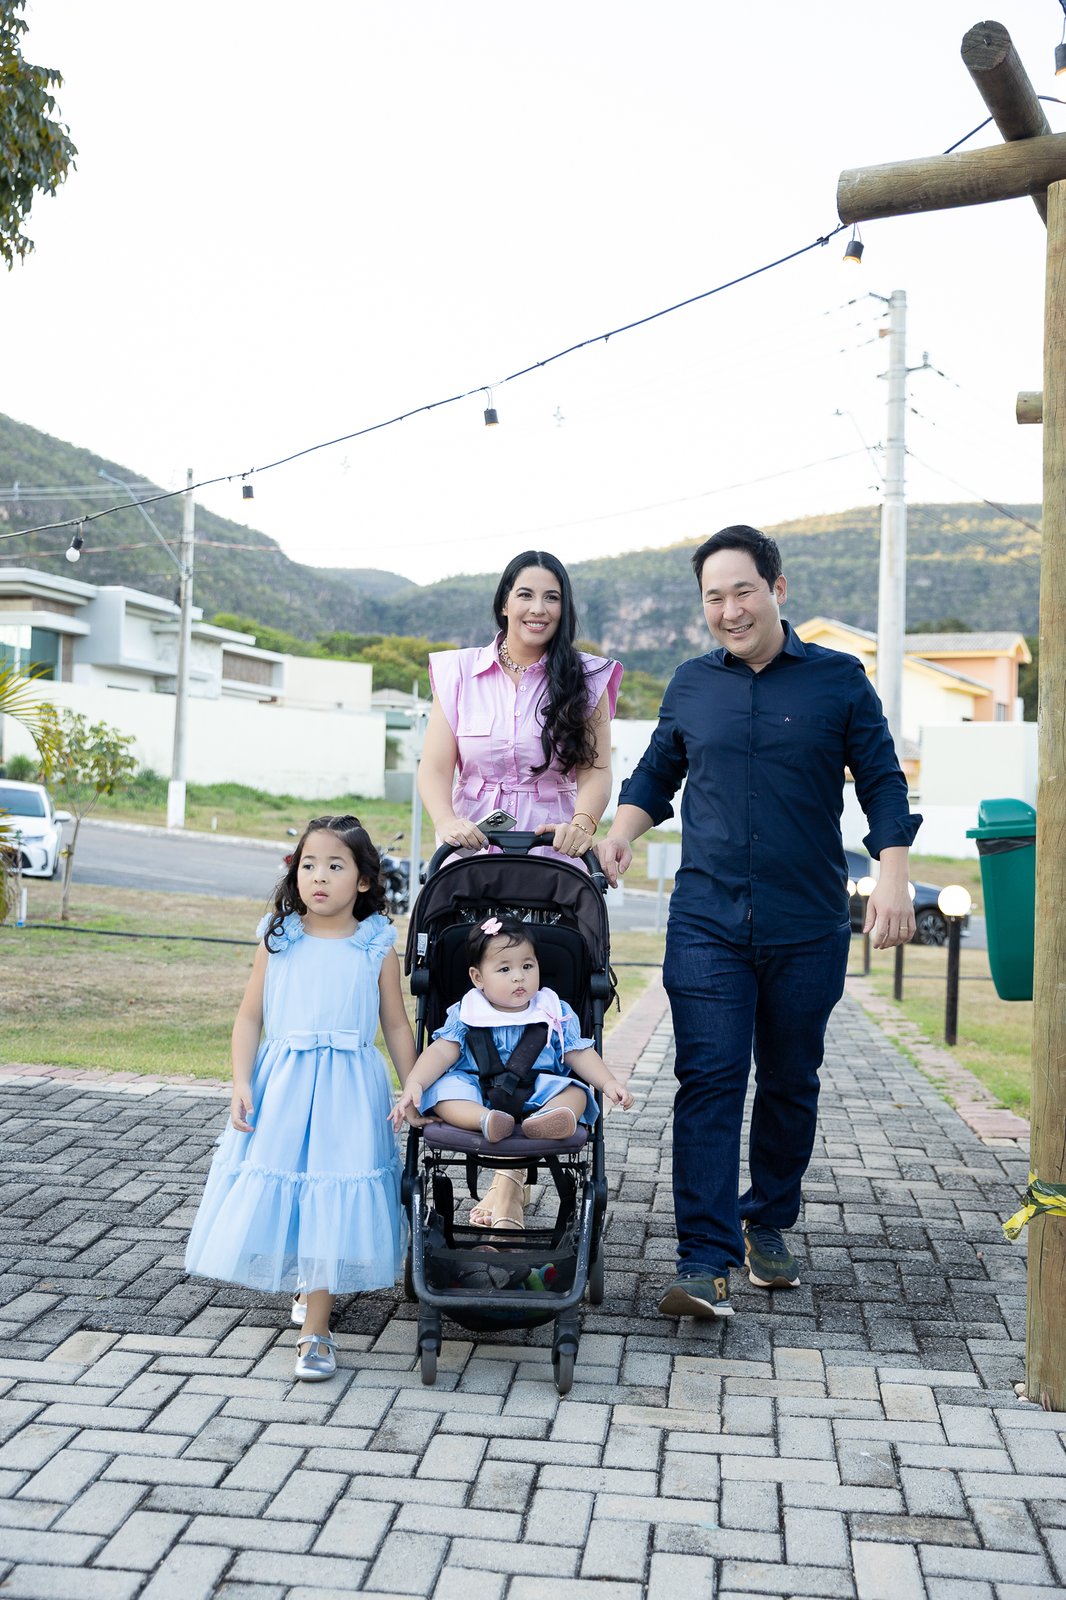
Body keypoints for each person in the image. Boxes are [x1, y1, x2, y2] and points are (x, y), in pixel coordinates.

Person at [597, 524, 920, 1320]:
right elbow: (656, 774)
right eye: (714, 597)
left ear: (777, 589)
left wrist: (893, 874)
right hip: (706, 921)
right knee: (709, 1079)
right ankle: (703, 1260)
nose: (730, 610)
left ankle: (766, 1220)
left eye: (743, 591)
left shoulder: (839, 680)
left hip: (806, 922)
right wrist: (622, 832)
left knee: (788, 1079)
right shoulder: (691, 684)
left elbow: (882, 780)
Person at [418, 549, 623, 1227]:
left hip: (551, 854)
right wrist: (446, 821)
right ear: (504, 601)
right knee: (464, 976)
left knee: (542, 987)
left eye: (553, 597)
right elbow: (435, 768)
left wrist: (583, 822)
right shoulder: (458, 674)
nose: (539, 609)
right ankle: (488, 1130)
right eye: (527, 595)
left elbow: (595, 770)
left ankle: (508, 1185)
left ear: (565, 608)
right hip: (474, 853)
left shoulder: (585, 678)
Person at [184, 815, 417, 1380]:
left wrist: (413, 1086)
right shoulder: (279, 937)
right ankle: (308, 1281)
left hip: (348, 1090)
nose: (319, 877)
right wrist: (242, 1081)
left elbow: (395, 1024)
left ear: (363, 880)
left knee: (330, 1189)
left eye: (335, 866)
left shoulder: (375, 944)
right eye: (309, 864)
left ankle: (317, 1329)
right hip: (284, 1084)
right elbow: (250, 1016)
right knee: (293, 1185)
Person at [389, 916, 632, 1227]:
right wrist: (415, 1082)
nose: (519, 977)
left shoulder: (553, 1011)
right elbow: (439, 1052)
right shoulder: (467, 1013)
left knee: (575, 1091)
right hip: (477, 1089)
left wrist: (608, 1082)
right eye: (504, 969)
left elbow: (578, 1052)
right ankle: (484, 1120)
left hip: (538, 1089)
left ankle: (550, 1119)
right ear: (478, 977)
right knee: (445, 1092)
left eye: (527, 966)